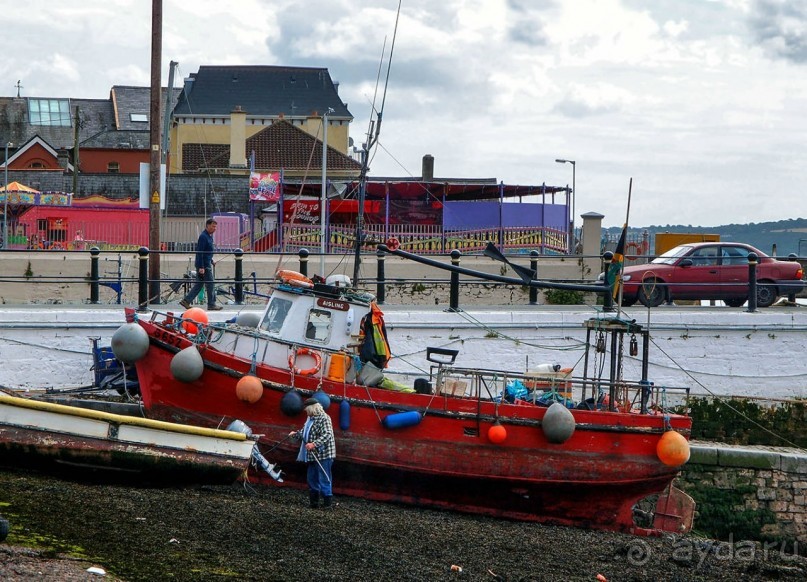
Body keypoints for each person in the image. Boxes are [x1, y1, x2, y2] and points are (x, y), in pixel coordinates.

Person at [289, 398, 336, 508]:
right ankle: (314, 503)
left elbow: (327, 434)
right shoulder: (310, 419)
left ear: (311, 408)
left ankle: (327, 504)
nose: (305, 412)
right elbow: (304, 432)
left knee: (324, 478)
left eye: (306, 410)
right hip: (312, 455)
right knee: (312, 478)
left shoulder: (324, 418)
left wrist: (314, 444)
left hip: (324, 454)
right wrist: (295, 434)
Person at [180, 218, 222, 311]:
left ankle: (186, 300)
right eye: (213, 226)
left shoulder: (209, 236)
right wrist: (201, 267)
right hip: (204, 266)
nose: (215, 229)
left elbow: (207, 251)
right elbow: (200, 252)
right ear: (207, 226)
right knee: (210, 284)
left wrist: (211, 260)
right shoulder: (203, 236)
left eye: (215, 227)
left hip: (206, 263)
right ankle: (211, 304)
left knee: (199, 284)